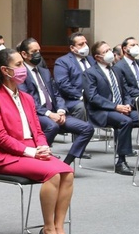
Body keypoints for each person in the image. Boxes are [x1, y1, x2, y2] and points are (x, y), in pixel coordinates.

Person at [0, 48, 75, 234]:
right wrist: (31, 152)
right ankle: (48, 229)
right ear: (5, 71)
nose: (23, 68)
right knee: (53, 174)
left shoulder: (27, 98)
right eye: (18, 65)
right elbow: (0, 137)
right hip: (7, 156)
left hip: (32, 150)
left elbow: (37, 130)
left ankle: (58, 227)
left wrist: (43, 146)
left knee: (68, 173)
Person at [17, 38, 94, 166]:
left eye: (39, 51)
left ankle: (66, 163)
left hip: (55, 113)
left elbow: (57, 94)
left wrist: (61, 110)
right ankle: (37, 158)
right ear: (24, 54)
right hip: (36, 114)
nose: (38, 54)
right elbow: (27, 99)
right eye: (34, 52)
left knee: (87, 128)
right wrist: (49, 114)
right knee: (52, 126)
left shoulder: (44, 71)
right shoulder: (21, 74)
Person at [85, 41, 139, 176]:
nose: (110, 53)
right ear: (97, 57)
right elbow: (93, 97)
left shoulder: (116, 70)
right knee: (125, 121)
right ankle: (121, 161)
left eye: (109, 50)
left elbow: (126, 92)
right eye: (105, 52)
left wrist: (128, 104)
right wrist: (116, 107)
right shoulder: (90, 73)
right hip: (102, 111)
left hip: (121, 108)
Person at [52, 32, 92, 120]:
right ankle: (82, 129)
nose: (85, 46)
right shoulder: (63, 61)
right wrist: (82, 96)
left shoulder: (92, 60)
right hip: (73, 99)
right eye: (81, 44)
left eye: (86, 43)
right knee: (81, 107)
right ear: (72, 48)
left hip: (93, 96)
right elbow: (63, 85)